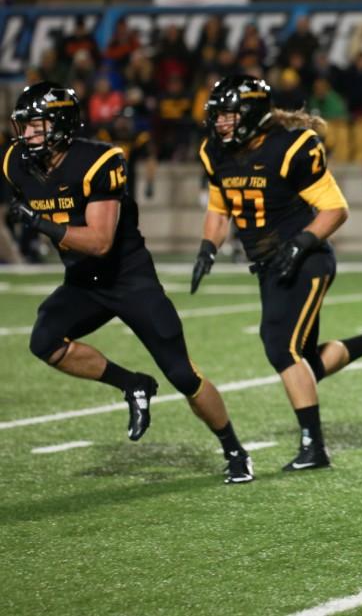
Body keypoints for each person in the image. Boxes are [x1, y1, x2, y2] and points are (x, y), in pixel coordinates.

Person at [3, 82, 254, 484]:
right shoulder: (16, 162)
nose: (28, 134)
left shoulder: (99, 160)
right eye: (25, 126)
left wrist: (38, 221)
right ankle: (133, 384)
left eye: (37, 125)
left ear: (61, 124)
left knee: (183, 374)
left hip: (128, 278)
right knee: (44, 339)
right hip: (83, 281)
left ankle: (234, 449)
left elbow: (100, 243)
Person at [192, 75, 362, 471]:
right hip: (269, 264)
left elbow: (335, 209)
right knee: (305, 363)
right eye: (219, 116)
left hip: (307, 259)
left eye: (229, 116)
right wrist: (208, 247)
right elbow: (219, 206)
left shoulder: (291, 147)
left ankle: (314, 447)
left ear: (250, 115)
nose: (221, 124)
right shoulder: (216, 151)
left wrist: (300, 242)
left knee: (280, 348)